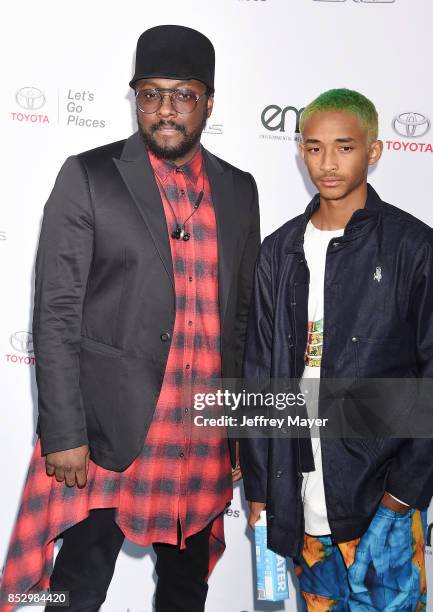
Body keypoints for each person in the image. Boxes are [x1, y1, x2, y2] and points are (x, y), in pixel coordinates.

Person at [0, 25, 260, 612]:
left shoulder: (239, 191)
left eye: (184, 94)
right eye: (151, 94)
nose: (166, 109)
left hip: (201, 436)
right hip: (108, 436)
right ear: (136, 98)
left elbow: (241, 320)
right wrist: (64, 434)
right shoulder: (89, 176)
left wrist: (240, 433)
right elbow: (57, 311)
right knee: (80, 584)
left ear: (209, 102)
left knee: (186, 590)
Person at [240, 88, 431, 610]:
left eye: (344, 147)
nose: (326, 163)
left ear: (373, 150)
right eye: (314, 147)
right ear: (300, 150)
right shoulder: (278, 250)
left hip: (381, 504)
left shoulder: (413, 248)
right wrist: (261, 486)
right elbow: (261, 375)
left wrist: (403, 496)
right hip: (300, 504)